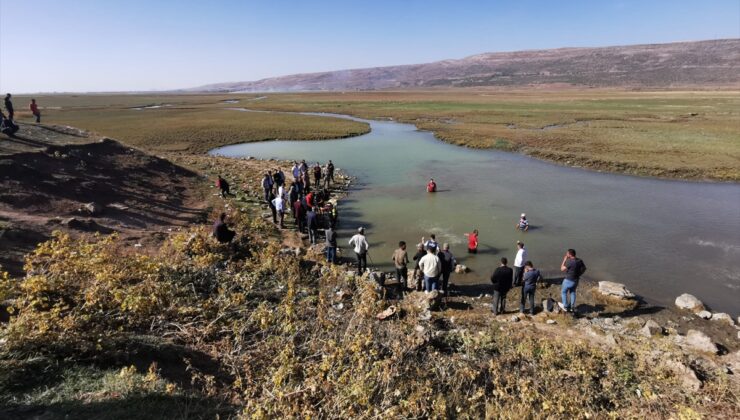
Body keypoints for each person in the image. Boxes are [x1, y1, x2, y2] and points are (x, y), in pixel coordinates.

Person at [560, 249, 586, 313]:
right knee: (573, 292)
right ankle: (572, 307)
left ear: (570, 255)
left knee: (563, 292)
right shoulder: (579, 260)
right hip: (576, 280)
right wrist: (579, 274)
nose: (566, 254)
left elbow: (562, 269)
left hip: (568, 280)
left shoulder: (570, 262)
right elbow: (584, 268)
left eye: (567, 253)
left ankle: (565, 306)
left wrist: (564, 260)